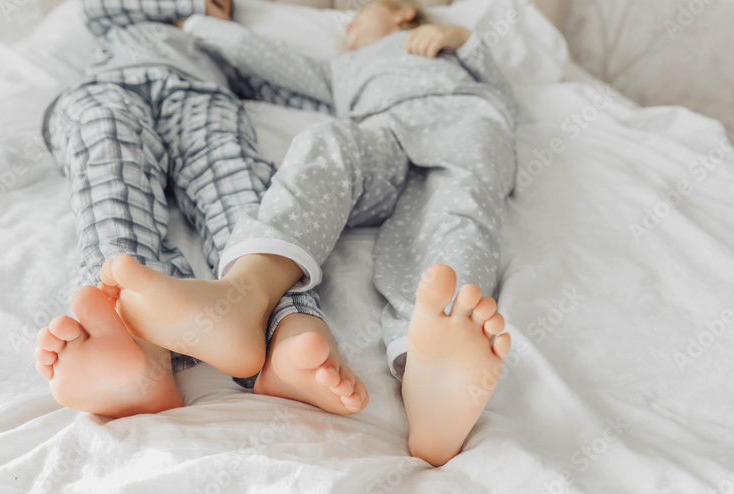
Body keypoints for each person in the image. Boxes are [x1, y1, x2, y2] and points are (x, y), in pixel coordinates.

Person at [100, 0, 517, 465]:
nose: (350, 26)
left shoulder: (440, 48)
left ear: (401, 12)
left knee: (455, 216)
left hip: (462, 126)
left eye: (361, 15)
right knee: (328, 145)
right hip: (383, 134)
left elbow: (504, 92)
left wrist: (460, 38)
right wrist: (199, 23)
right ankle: (245, 292)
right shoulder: (341, 68)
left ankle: (427, 370)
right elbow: (271, 60)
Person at [34, 0, 369, 419]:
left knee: (237, 187)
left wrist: (366, 88)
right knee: (110, 174)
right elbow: (96, 8)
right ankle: (130, 338)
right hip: (109, 89)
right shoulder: (123, 20)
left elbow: (291, 83)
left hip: (202, 96)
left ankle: (288, 336)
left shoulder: (221, 41)